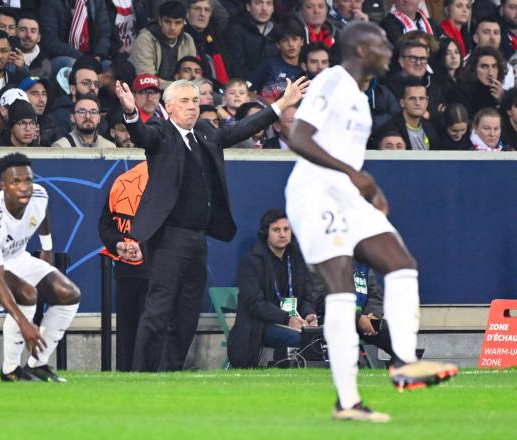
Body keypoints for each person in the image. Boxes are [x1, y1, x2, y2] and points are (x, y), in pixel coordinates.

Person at [285, 21, 457, 422]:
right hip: (315, 194)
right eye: (380, 42)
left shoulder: (363, 97)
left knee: (401, 266)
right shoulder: (332, 79)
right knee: (342, 294)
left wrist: (363, 184)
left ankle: (401, 363)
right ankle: (347, 402)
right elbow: (298, 136)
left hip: (347, 194)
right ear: (361, 49)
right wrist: (355, 174)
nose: (387, 48)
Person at [115, 75, 309, 372]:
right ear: (169, 107)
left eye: (195, 101)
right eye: (184, 102)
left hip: (197, 238)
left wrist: (281, 104)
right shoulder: (161, 133)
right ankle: (142, 372)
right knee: (158, 309)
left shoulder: (205, 131)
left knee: (188, 312)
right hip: (168, 238)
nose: (192, 107)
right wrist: (130, 113)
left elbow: (242, 128)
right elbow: (141, 135)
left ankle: (171, 370)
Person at [0, 152, 81, 382]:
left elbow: (42, 215)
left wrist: (46, 249)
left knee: (69, 294)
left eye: (28, 180)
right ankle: (10, 370)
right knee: (26, 294)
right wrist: (25, 323)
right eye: (15, 182)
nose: (24, 187)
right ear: (3, 186)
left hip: (15, 256)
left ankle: (37, 365)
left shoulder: (39, 195)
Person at [227, 208, 318, 369]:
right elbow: (255, 304)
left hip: (293, 323)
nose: (282, 234)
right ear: (265, 233)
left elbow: (306, 297)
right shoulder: (250, 262)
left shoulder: (297, 261)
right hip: (259, 326)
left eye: (286, 229)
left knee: (318, 336)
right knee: (304, 339)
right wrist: (286, 319)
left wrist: (309, 314)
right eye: (276, 230)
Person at [98, 161, 149, 371]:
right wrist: (120, 245)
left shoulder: (123, 179)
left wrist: (118, 243)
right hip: (144, 269)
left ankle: (126, 375)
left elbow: (105, 225)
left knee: (128, 333)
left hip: (131, 266)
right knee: (141, 331)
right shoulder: (169, 177)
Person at [129, 1, 197, 89]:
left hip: (180, 92)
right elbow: (147, 79)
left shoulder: (188, 40)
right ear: (160, 21)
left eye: (177, 23)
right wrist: (180, 87)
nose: (172, 27)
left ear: (184, 23)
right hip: (148, 92)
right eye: (167, 22)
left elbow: (192, 73)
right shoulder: (144, 40)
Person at [374, 79, 440, 150]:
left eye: (421, 98)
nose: (417, 103)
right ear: (402, 103)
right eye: (412, 98)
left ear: (427, 103)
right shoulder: (389, 129)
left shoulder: (430, 128)